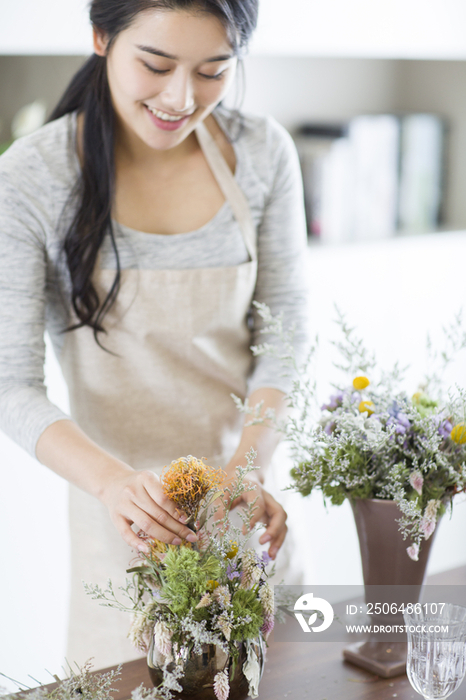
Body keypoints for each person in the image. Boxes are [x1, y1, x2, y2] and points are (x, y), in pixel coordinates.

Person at [0, 0, 308, 669]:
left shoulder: (261, 154)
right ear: (101, 37)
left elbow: (286, 334)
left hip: (244, 507)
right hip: (121, 526)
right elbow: (9, 385)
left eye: (213, 70)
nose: (180, 97)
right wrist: (113, 484)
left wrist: (247, 472)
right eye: (156, 64)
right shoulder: (33, 176)